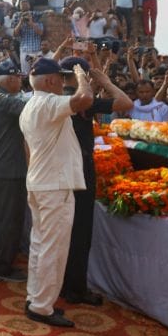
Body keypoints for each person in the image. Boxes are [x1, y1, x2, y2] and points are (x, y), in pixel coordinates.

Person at [19, 58, 93, 327]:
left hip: (40, 182)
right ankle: (42, 307)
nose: (64, 83)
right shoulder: (47, 102)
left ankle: (36, 298)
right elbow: (84, 98)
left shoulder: (30, 106)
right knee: (54, 248)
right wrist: (81, 75)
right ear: (50, 80)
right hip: (54, 185)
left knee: (40, 245)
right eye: (62, 79)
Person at [58, 57, 131, 305]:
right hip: (80, 169)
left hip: (62, 168)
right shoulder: (82, 101)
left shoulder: (56, 98)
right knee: (80, 230)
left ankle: (61, 283)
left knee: (64, 230)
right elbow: (125, 103)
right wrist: (107, 82)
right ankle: (75, 288)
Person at [0, 58, 29, 283]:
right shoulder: (2, 100)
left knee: (3, 219)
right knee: (8, 220)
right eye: (18, 78)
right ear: (10, 79)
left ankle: (0, 263)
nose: (21, 82)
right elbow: (32, 108)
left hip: (3, 167)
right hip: (8, 169)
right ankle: (0, 267)